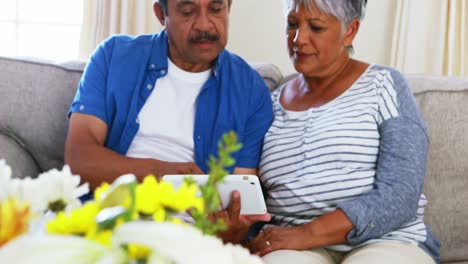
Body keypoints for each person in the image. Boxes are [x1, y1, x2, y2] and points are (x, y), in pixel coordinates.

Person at [247, 0, 440, 263]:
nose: (298, 38)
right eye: (292, 24)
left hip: (386, 240)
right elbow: (252, 193)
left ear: (349, 30)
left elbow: (401, 193)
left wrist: (308, 233)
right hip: (294, 248)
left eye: (316, 27)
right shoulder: (268, 104)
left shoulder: (384, 85)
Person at [65, 0, 272, 243]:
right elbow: (79, 160)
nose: (205, 24)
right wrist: (164, 175)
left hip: (187, 236)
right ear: (161, 14)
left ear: (229, 8)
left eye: (216, 9)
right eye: (187, 11)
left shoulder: (250, 90)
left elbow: (242, 204)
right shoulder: (113, 56)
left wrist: (232, 231)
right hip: (106, 217)